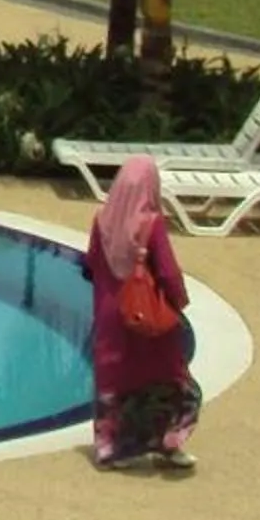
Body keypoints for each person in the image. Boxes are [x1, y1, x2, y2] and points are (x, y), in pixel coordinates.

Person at [82, 155, 198, 471]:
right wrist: (179, 302)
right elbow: (168, 272)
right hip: (147, 319)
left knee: (113, 381)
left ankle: (109, 448)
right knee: (167, 378)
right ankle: (167, 441)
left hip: (111, 317)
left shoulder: (101, 220)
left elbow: (91, 263)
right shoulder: (151, 223)